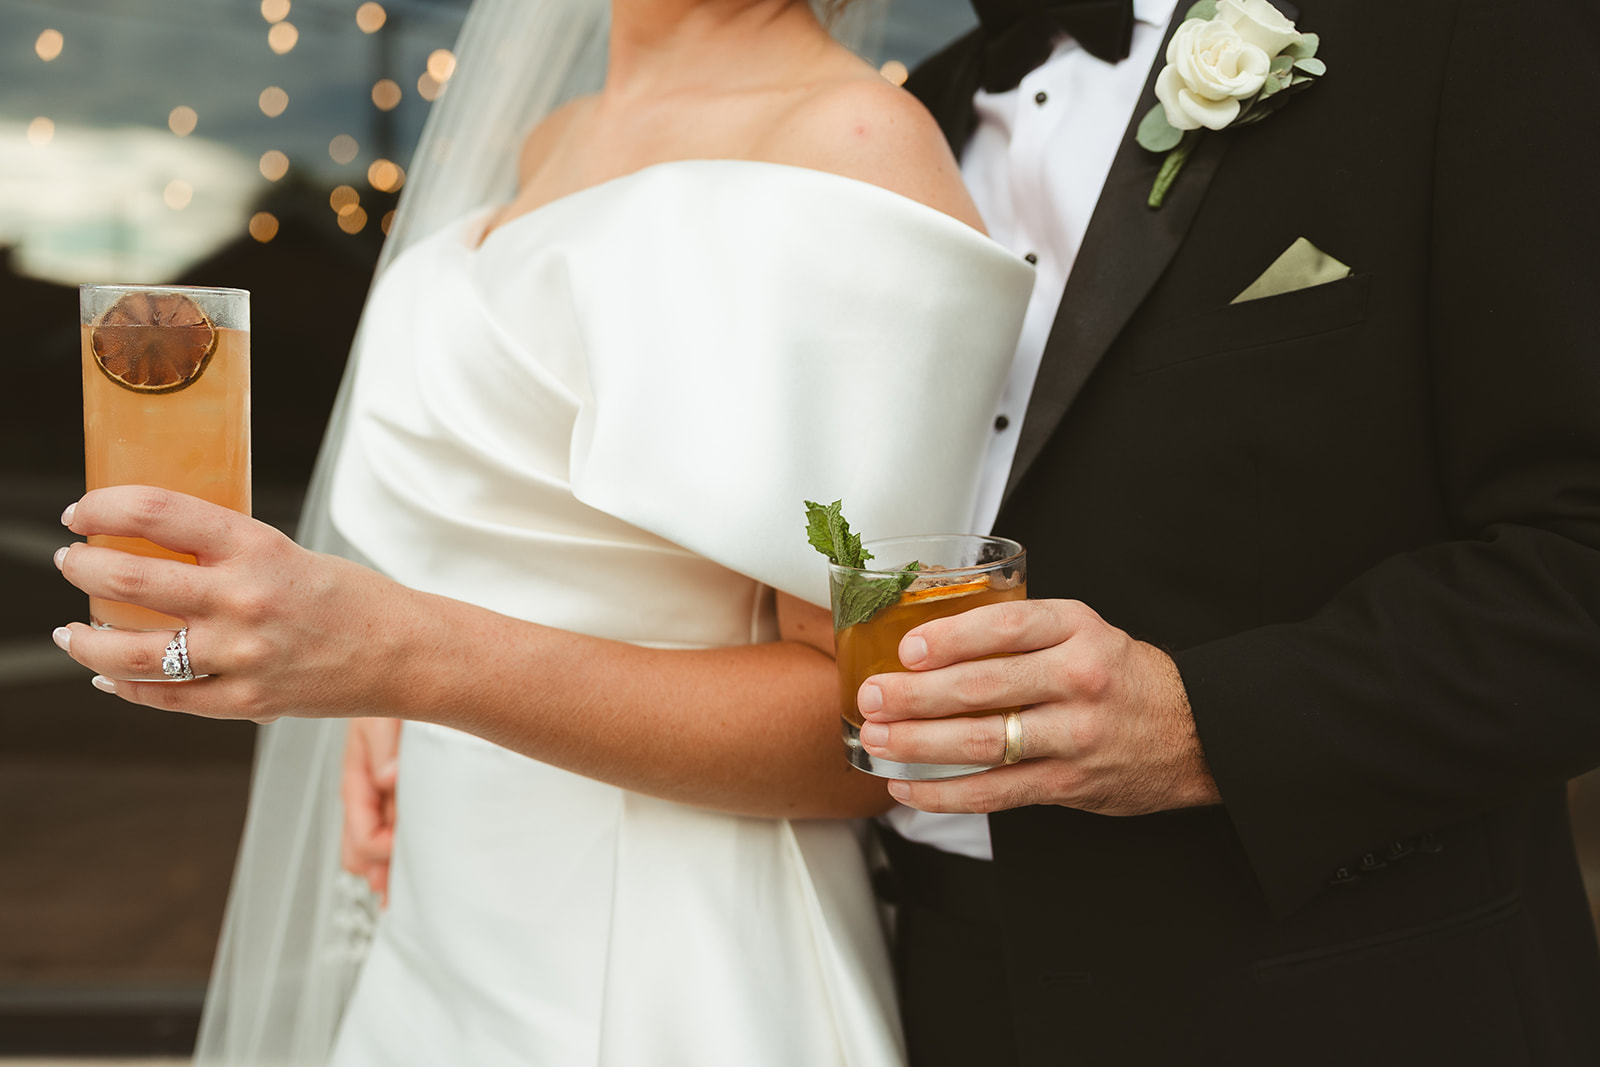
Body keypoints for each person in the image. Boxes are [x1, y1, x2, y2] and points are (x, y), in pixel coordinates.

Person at [51, 0, 1035, 1061]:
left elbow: (864, 732)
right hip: (446, 922)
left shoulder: (850, 141)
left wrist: (403, 655)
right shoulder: (547, 137)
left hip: (662, 951)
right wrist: (385, 707)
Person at [851, 0, 1600, 1062]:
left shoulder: (1469, 31)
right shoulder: (904, 116)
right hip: (918, 986)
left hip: (1339, 999)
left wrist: (1200, 724)